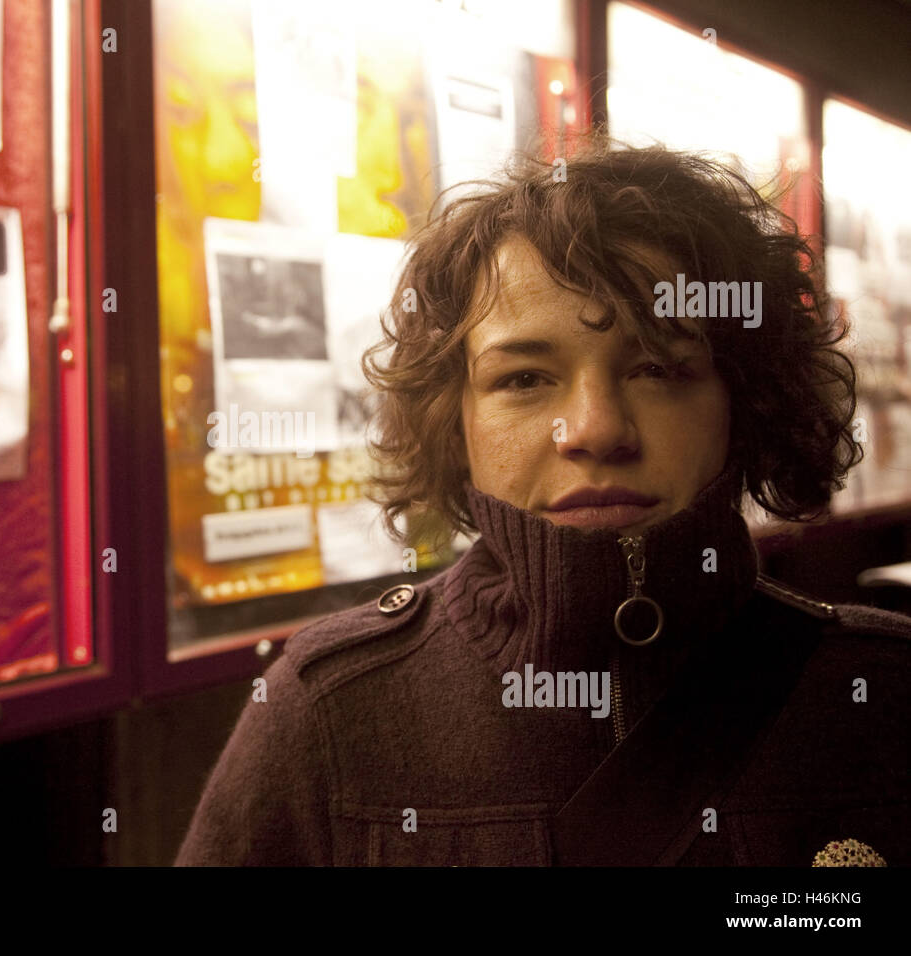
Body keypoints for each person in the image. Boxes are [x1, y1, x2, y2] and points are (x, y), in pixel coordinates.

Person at [175, 141, 910, 866]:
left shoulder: (879, 693)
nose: (593, 430)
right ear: (453, 416)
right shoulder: (330, 711)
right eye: (524, 379)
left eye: (658, 368)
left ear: (744, 401)